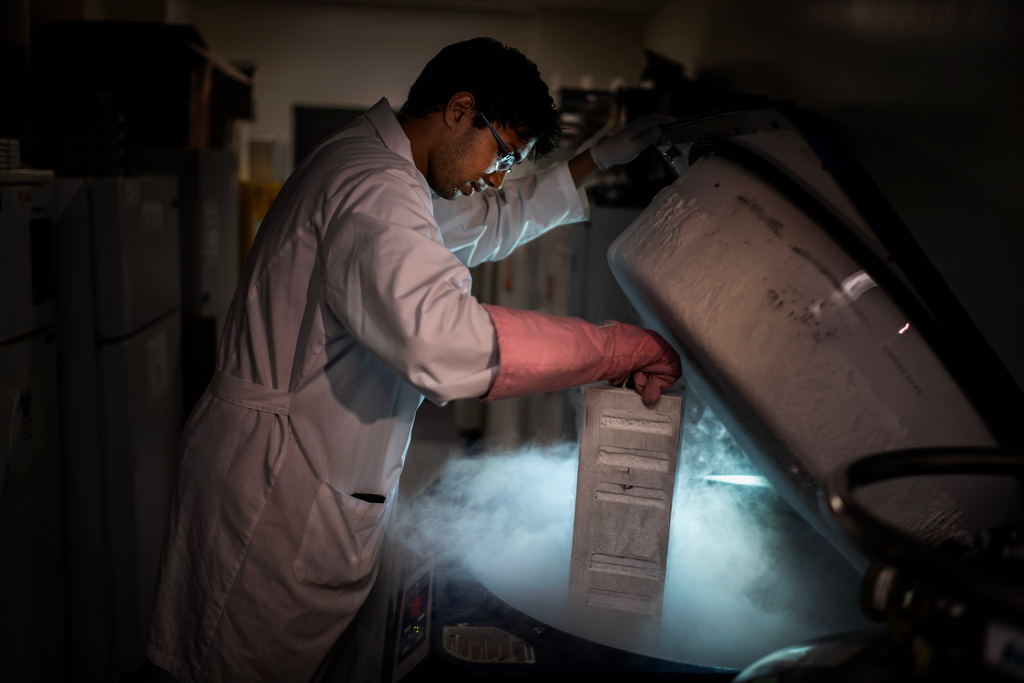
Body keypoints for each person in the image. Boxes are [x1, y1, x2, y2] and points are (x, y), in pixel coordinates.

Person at [147, 37, 681, 682]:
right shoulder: (376, 187)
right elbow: (443, 341)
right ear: (460, 109)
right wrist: (612, 348)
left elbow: (482, 223)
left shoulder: (376, 163)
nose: (496, 176)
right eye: (502, 152)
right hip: (278, 492)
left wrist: (595, 160)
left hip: (293, 466)